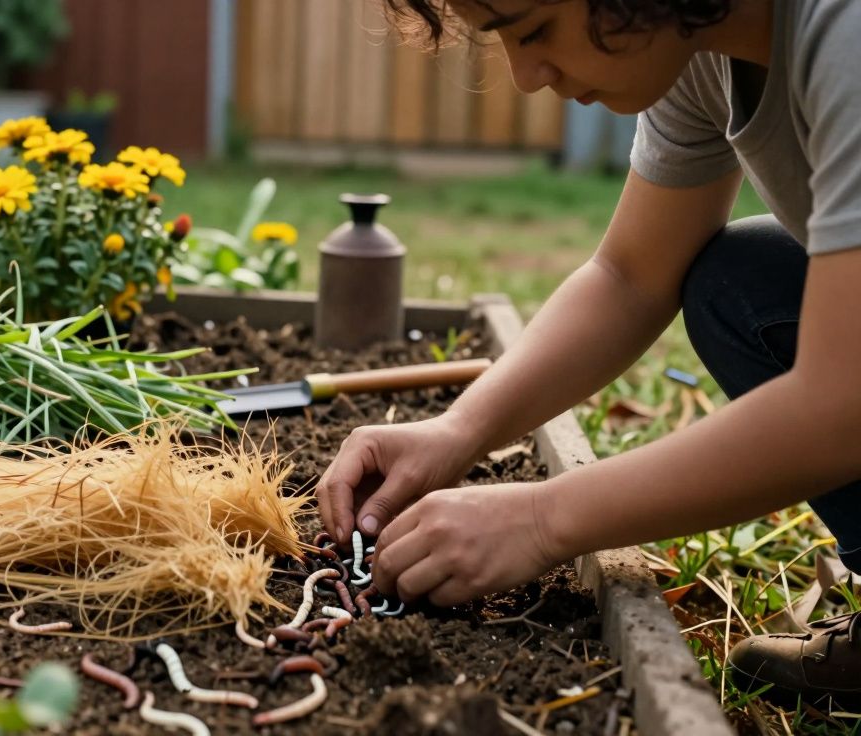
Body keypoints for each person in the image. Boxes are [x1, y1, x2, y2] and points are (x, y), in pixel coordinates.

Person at [316, 0, 861, 713]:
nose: (526, 75)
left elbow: (838, 404)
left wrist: (541, 521)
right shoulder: (698, 45)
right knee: (740, 287)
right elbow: (631, 276)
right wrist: (458, 431)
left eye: (535, 29)